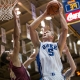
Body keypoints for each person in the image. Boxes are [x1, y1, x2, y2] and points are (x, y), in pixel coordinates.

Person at [29, 1, 69, 80]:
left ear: (52, 36)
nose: (44, 33)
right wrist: (44, 14)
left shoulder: (58, 46)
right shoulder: (38, 45)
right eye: (44, 33)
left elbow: (65, 29)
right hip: (46, 77)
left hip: (59, 77)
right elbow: (31, 28)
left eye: (47, 32)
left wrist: (60, 13)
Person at [0, 8, 38, 80]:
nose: (12, 52)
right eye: (10, 52)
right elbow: (16, 37)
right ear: (8, 58)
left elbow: (30, 59)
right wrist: (15, 20)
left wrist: (37, 50)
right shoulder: (14, 60)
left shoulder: (13, 66)